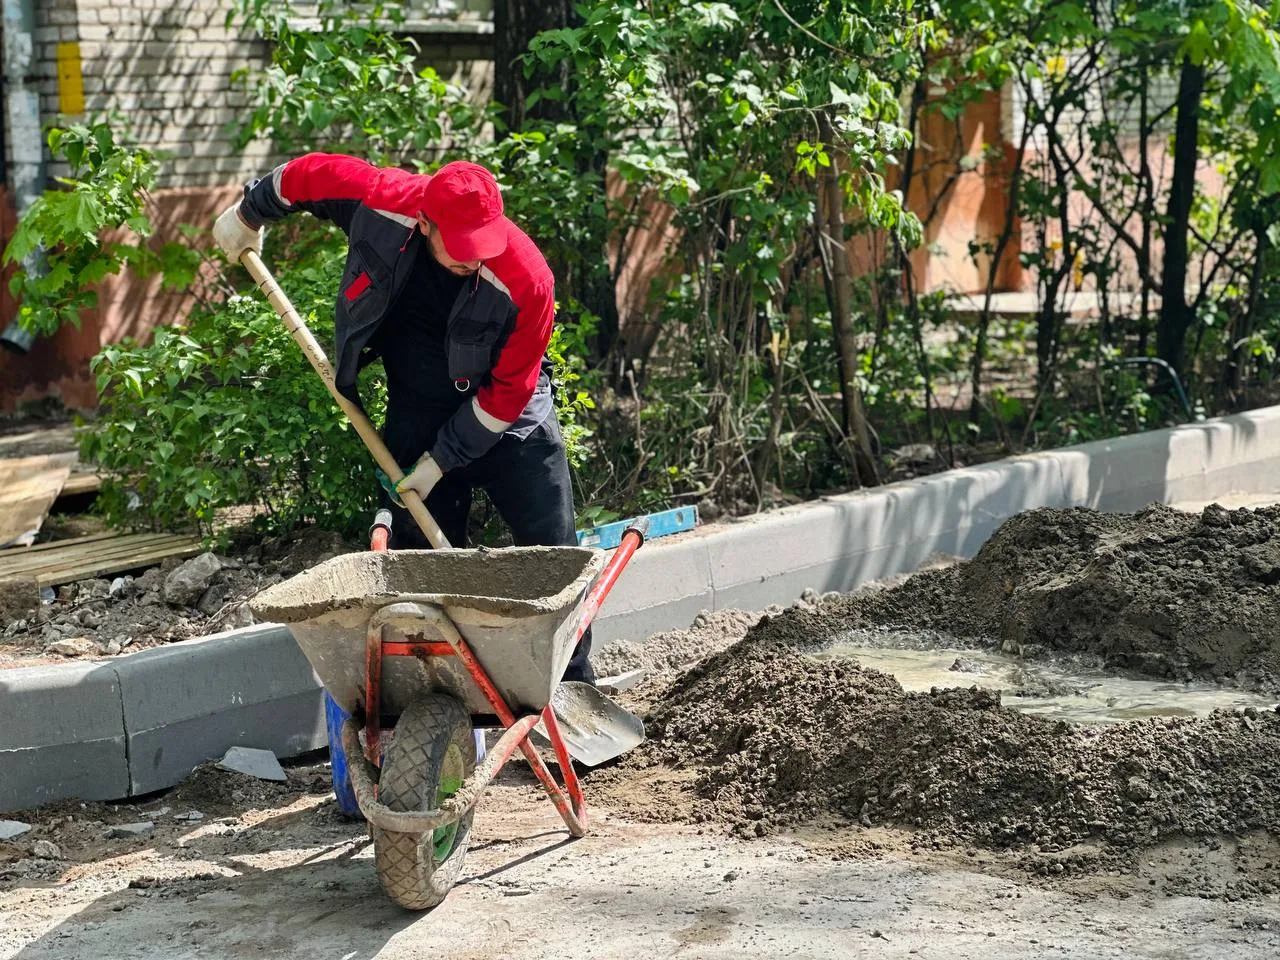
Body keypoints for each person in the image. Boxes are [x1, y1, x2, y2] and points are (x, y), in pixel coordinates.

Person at [212, 152, 594, 685]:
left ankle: (571, 683)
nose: (474, 262)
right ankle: (445, 692)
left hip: (511, 421)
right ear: (424, 221)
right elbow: (305, 177)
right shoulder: (381, 201)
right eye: (461, 251)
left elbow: (508, 394)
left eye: (484, 248)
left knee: (553, 554)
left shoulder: (528, 278)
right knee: (422, 566)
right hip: (418, 405)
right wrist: (248, 214)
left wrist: (442, 461)